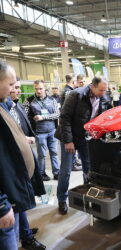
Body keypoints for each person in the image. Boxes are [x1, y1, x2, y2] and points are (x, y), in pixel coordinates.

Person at [0, 61, 44, 250]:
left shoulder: (2, 105)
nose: (13, 89)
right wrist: (1, 205)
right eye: (10, 85)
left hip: (11, 191)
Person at [55, 76, 112, 215]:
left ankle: (88, 196)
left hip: (87, 138)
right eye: (101, 90)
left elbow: (105, 117)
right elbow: (64, 118)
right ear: (92, 86)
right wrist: (68, 141)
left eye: (105, 90)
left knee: (89, 169)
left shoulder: (104, 97)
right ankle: (62, 199)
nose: (103, 93)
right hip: (70, 138)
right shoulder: (76, 95)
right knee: (66, 170)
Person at [23, 80, 60, 181]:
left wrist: (44, 117)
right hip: (39, 133)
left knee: (54, 153)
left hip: (52, 131)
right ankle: (41, 173)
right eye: (36, 89)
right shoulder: (29, 101)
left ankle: (57, 173)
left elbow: (57, 114)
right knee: (42, 155)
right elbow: (24, 116)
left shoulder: (52, 100)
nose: (38, 91)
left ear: (45, 88)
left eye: (40, 88)